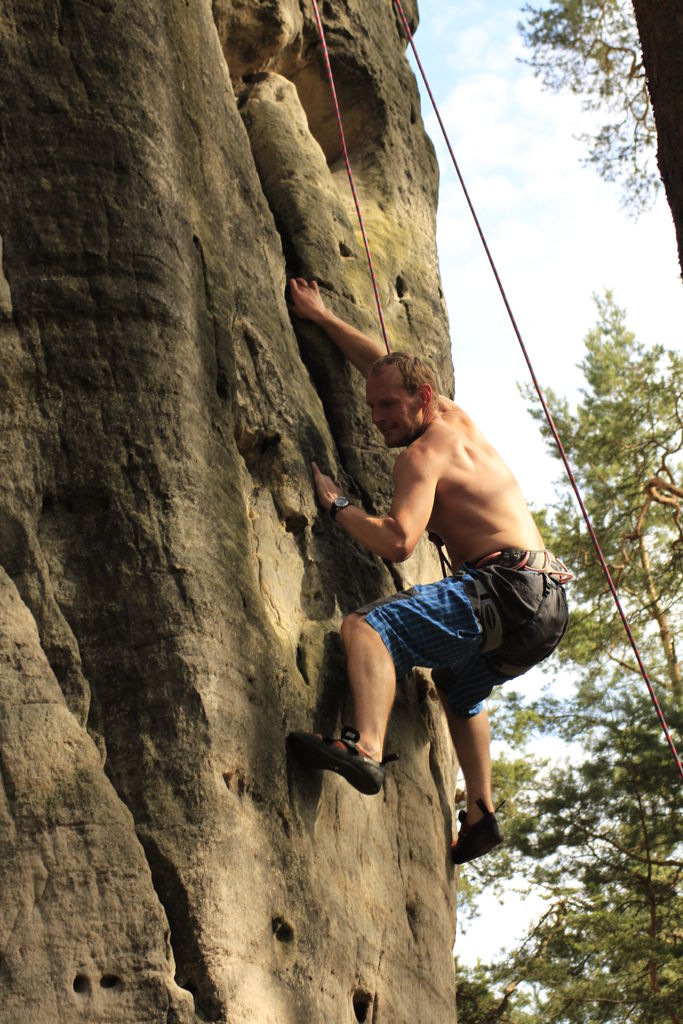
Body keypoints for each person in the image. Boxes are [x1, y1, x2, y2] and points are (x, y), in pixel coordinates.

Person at [286, 278, 570, 864]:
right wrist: (323, 316)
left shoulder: (421, 456)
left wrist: (339, 508)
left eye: (389, 407)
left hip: (505, 589)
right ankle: (482, 812)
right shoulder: (456, 420)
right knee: (457, 683)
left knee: (369, 628)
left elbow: (397, 541)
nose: (378, 418)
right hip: (546, 609)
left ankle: (364, 747)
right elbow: (380, 366)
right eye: (372, 408)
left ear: (423, 397)